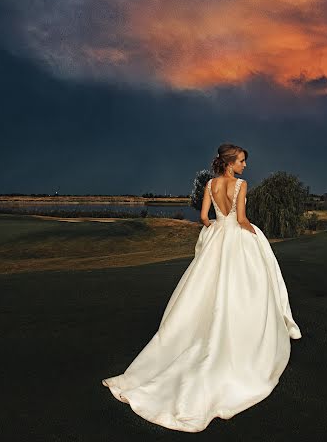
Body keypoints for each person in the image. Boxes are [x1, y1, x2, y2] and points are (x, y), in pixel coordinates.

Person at [101, 143, 302, 432]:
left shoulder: (209, 184)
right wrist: (255, 234)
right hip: (235, 239)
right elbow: (243, 219)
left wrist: (215, 225)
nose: (245, 166)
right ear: (231, 163)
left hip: (217, 238)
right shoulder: (241, 185)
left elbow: (204, 218)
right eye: (242, 161)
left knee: (204, 288)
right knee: (243, 286)